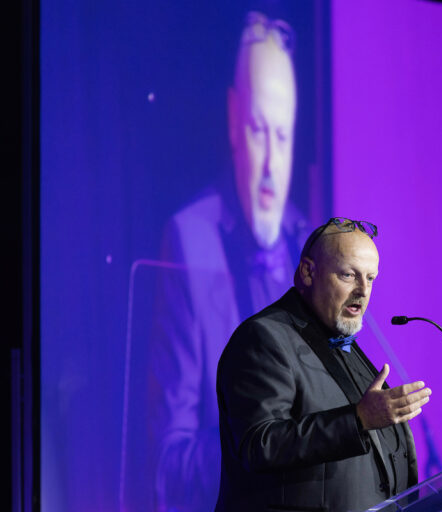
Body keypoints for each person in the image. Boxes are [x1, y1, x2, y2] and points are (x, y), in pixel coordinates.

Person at [149, 11, 308, 512]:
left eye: (282, 137)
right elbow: (166, 466)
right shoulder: (189, 240)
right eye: (260, 130)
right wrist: (280, 438)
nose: (270, 167)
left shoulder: (308, 241)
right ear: (234, 118)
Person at [216, 218, 432, 512]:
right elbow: (260, 444)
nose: (363, 291)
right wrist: (358, 420)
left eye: (370, 278)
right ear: (308, 272)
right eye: (348, 275)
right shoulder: (264, 338)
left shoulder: (342, 342)